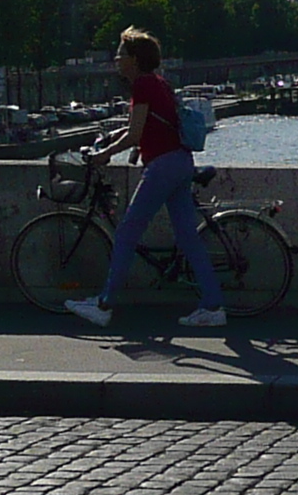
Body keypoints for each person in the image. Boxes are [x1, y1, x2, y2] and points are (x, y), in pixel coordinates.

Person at [66, 27, 228, 329]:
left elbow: (136, 134)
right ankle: (213, 305)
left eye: (121, 54)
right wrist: (114, 136)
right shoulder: (159, 83)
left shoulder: (142, 85)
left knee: (127, 232)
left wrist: (105, 154)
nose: (116, 59)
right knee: (188, 239)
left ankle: (104, 304)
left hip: (163, 166)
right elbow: (143, 125)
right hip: (180, 161)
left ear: (135, 59)